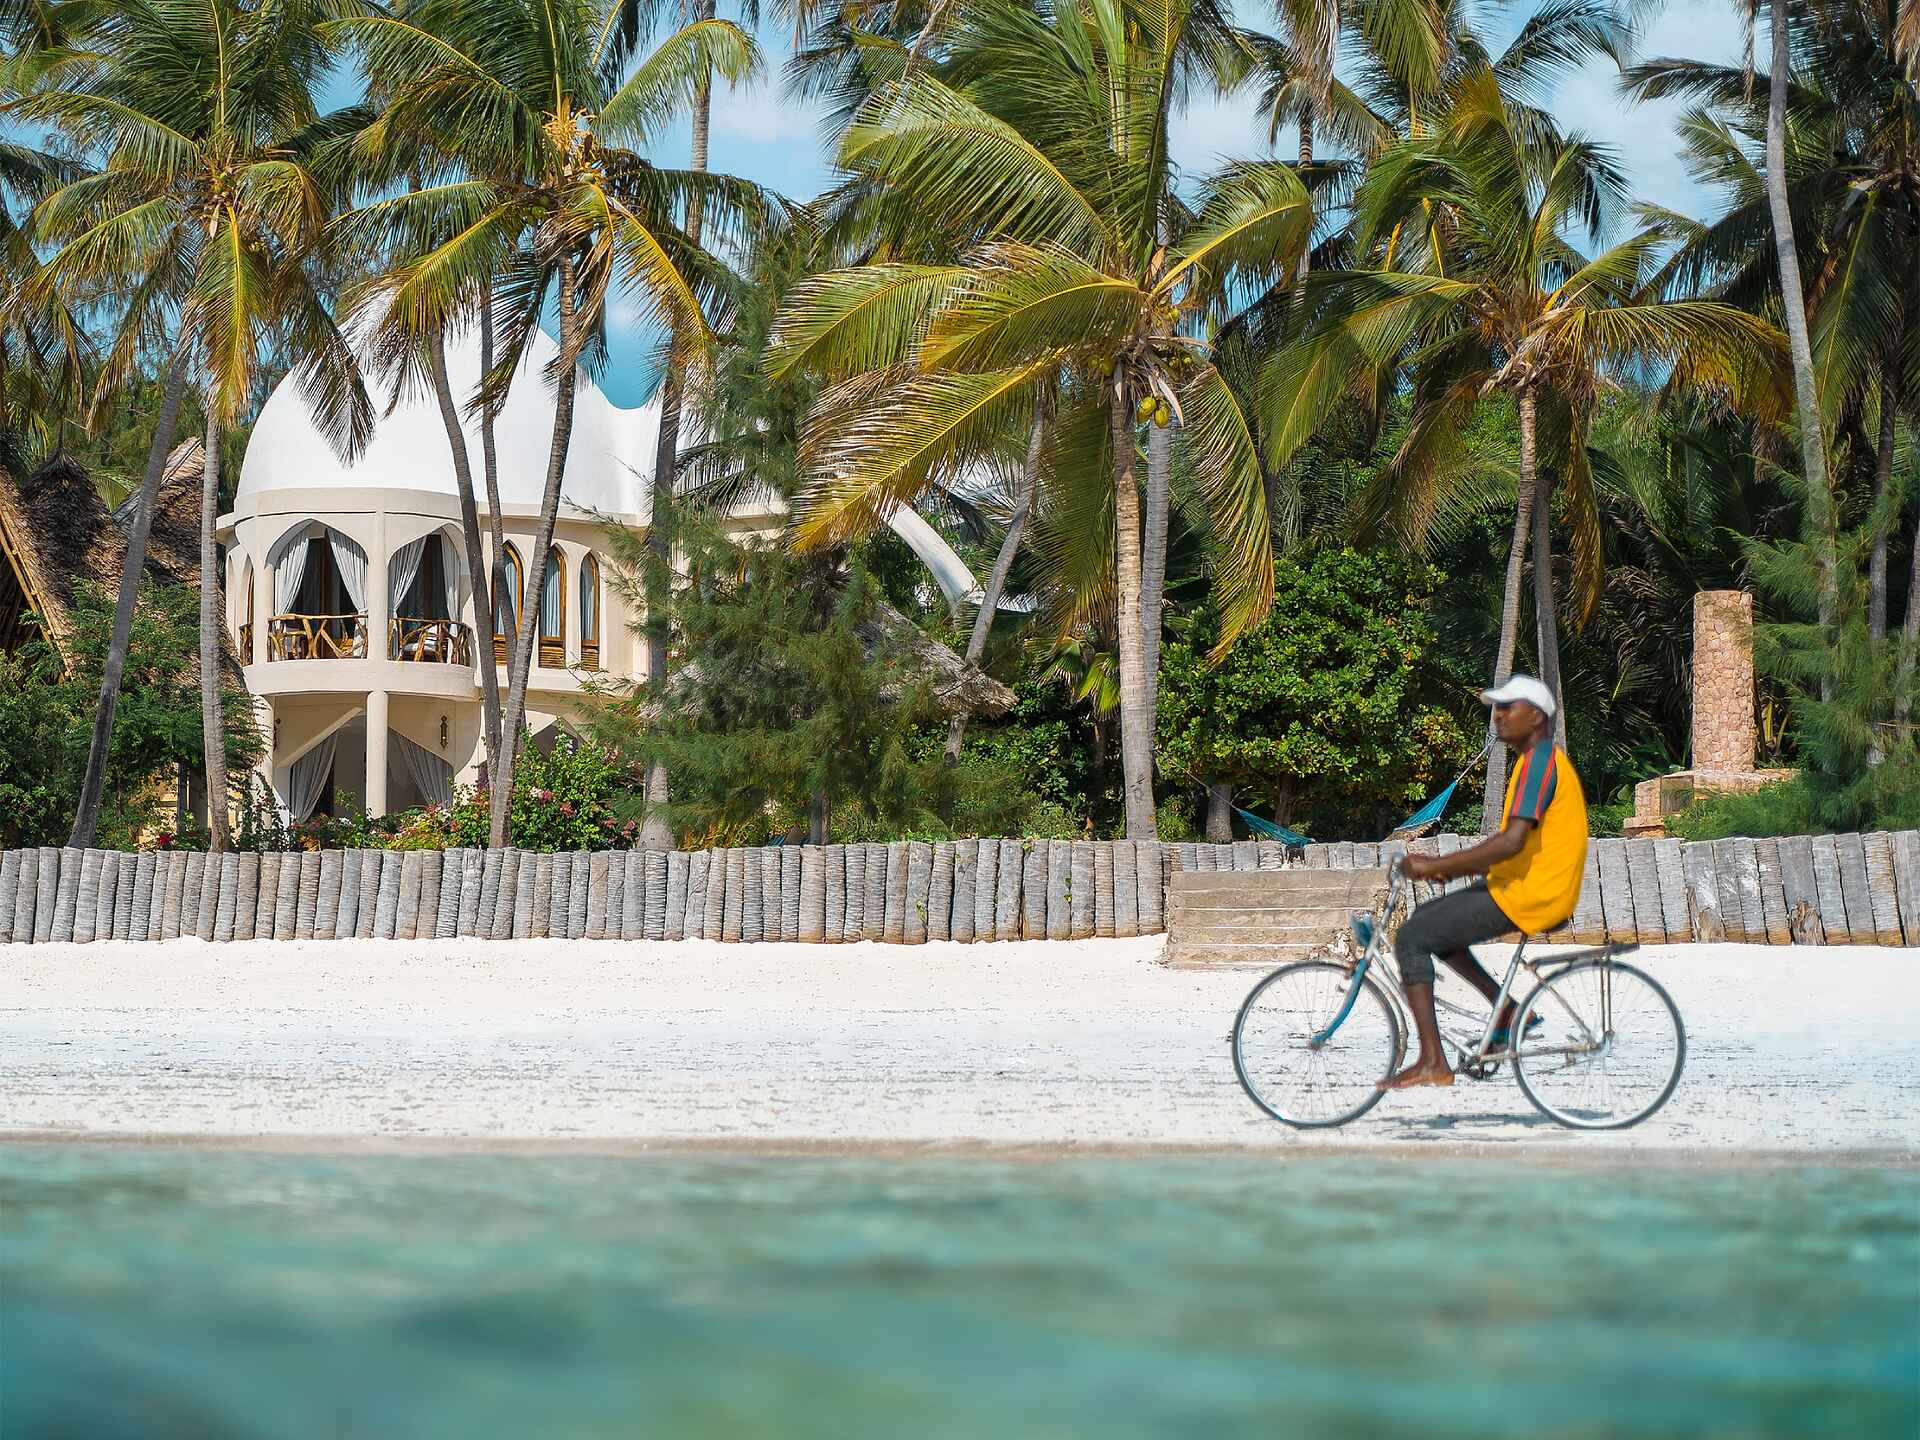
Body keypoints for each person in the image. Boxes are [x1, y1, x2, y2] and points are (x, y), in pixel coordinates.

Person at [1380, 675, 1589, 1090]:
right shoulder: (1534, 761)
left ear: (1535, 715)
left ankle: (1432, 1062)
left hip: (1533, 894)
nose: (1497, 716)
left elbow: (1511, 841)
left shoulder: (1541, 763)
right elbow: (1516, 843)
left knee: (1412, 938)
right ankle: (1508, 1010)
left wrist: (1441, 865)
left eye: (1506, 707)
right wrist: (1448, 868)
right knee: (1428, 920)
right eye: (1495, 708)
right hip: (1519, 886)